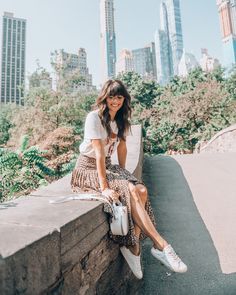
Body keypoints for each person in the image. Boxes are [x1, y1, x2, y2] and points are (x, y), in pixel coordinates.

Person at [71, 79, 187, 279]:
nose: (115, 101)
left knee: (140, 189)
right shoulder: (94, 118)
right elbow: (98, 154)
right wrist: (106, 187)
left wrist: (124, 175)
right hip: (87, 169)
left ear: (124, 99)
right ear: (104, 98)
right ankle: (161, 245)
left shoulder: (122, 120)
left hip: (108, 166)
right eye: (111, 97)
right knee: (131, 190)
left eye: (119, 97)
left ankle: (133, 248)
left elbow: (122, 148)